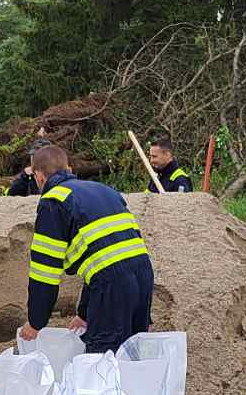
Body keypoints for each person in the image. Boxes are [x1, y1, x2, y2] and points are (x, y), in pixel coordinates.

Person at [19, 142, 153, 354]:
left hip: (112, 284)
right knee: (132, 353)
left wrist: (36, 322)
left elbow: (45, 272)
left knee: (101, 361)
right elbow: (103, 258)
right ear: (69, 170)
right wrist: (84, 314)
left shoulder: (53, 201)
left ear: (39, 177)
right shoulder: (105, 190)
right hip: (144, 274)